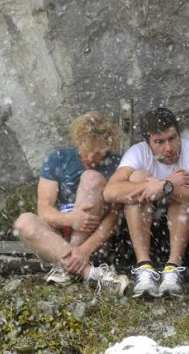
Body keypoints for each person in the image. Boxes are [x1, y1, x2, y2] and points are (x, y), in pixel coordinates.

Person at [103, 107, 189, 298]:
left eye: (172, 138)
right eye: (159, 142)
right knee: (137, 179)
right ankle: (144, 269)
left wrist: (168, 188)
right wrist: (150, 186)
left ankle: (172, 270)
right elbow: (109, 192)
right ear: (147, 143)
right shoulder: (138, 153)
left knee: (185, 187)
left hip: (186, 243)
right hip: (141, 241)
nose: (168, 148)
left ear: (179, 134)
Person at [13, 111, 128, 292]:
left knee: (91, 177)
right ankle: (91, 273)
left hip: (94, 239)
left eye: (98, 153)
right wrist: (71, 219)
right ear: (78, 141)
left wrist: (84, 251)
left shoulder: (118, 164)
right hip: (56, 237)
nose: (91, 159)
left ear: (108, 146)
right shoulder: (58, 158)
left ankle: (67, 265)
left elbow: (114, 218)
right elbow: (44, 210)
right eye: (87, 152)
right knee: (23, 222)